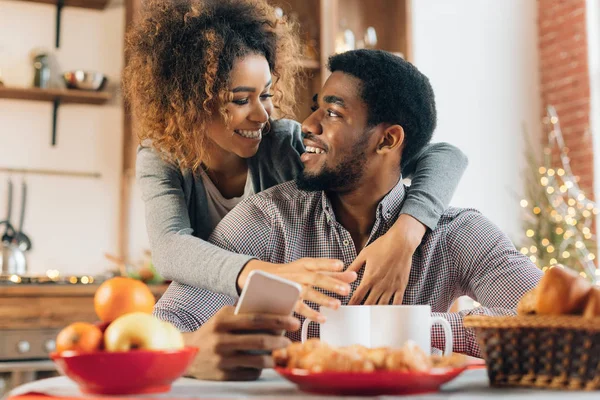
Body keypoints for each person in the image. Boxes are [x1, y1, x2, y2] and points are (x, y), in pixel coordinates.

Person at [155, 49, 543, 375]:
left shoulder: (457, 234)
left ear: (388, 139)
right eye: (315, 110)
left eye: (334, 114)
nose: (307, 126)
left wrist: (415, 332)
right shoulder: (267, 219)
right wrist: (191, 352)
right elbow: (165, 327)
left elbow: (553, 323)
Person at [123, 0, 469, 323]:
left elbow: (444, 155)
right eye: (241, 99)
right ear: (189, 103)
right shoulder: (162, 156)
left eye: (267, 94)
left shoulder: (284, 140)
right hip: (212, 311)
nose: (262, 115)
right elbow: (170, 249)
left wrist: (407, 232)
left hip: (290, 317)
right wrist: (268, 273)